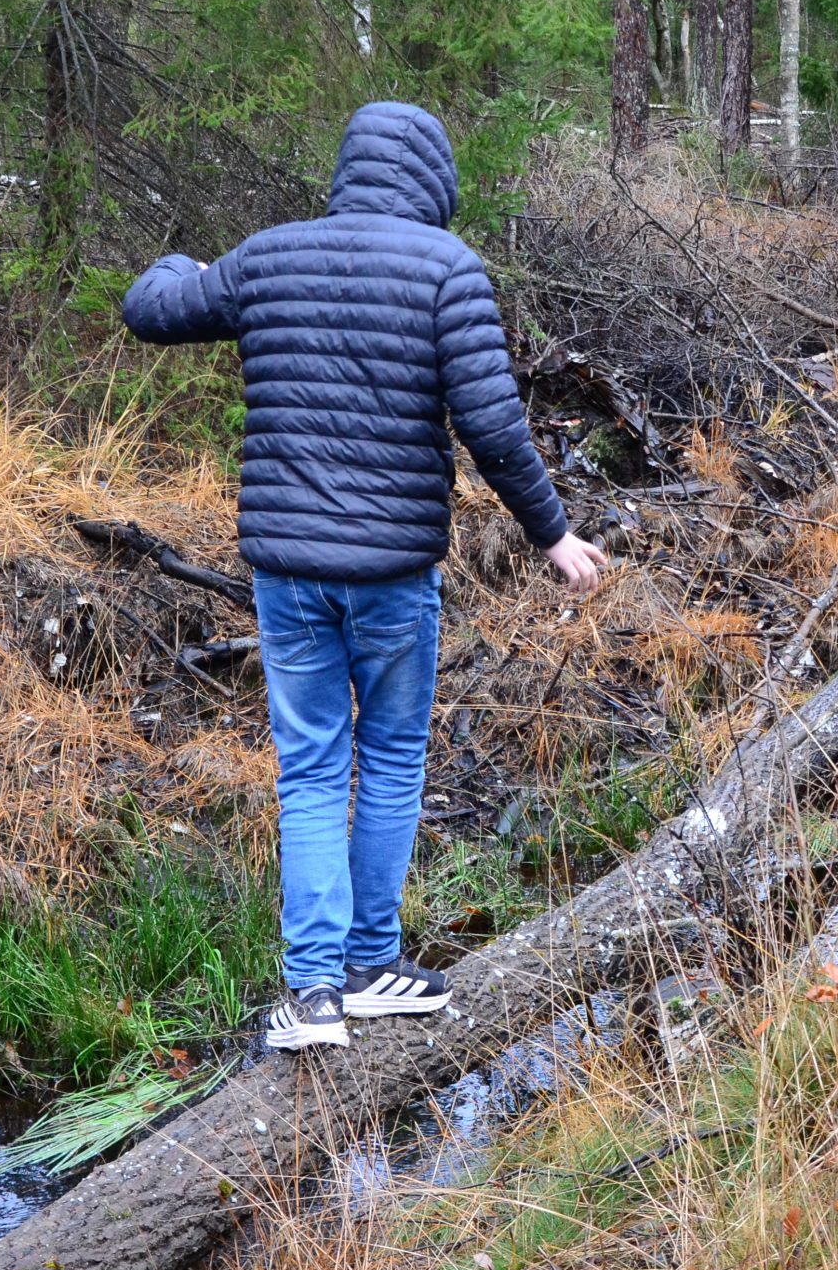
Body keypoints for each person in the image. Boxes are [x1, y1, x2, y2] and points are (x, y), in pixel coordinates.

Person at [121, 102, 612, 1051]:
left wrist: (181, 265)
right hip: (393, 573)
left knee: (310, 767)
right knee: (387, 759)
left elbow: (152, 306)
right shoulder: (446, 270)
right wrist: (554, 537)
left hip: (287, 572)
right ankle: (369, 967)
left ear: (350, 169)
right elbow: (495, 429)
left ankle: (312, 998)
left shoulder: (268, 256)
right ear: (432, 179)